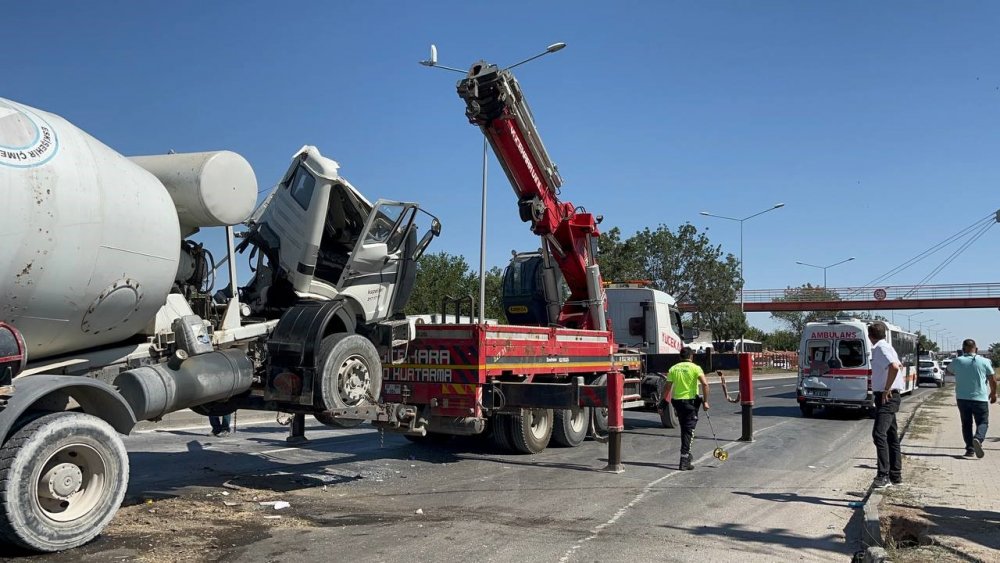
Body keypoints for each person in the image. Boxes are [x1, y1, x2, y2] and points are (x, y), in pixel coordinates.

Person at [945, 339, 997, 458]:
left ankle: (970, 449)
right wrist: (993, 393)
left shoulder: (957, 361)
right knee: (983, 422)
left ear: (963, 349)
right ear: (977, 349)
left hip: (962, 398)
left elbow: (948, 371)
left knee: (966, 424)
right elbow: (992, 379)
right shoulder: (985, 361)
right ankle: (978, 438)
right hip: (980, 398)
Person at [661, 347, 710, 471]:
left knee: (684, 429)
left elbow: (667, 388)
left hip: (677, 403)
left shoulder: (674, 368)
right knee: (689, 431)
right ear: (691, 357)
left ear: (680, 357)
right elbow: (705, 384)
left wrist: (662, 403)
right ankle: (684, 459)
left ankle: (687, 454)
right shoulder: (695, 368)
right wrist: (705, 401)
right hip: (690, 403)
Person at [868, 322, 903, 489]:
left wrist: (886, 388)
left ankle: (883, 475)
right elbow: (898, 365)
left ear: (870, 336)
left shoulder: (880, 349)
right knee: (891, 436)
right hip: (890, 395)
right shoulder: (887, 347)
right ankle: (895, 474)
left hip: (886, 396)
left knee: (878, 434)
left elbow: (894, 367)